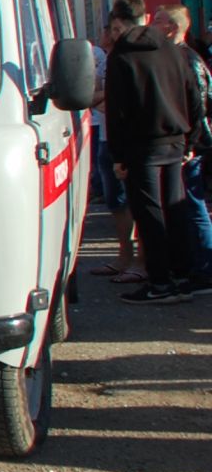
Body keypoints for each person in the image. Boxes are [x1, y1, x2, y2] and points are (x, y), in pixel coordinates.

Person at [104, 0, 205, 304]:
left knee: (150, 214)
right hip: (176, 140)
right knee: (175, 209)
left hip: (142, 145)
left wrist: (118, 156)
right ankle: (183, 274)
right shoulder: (173, 50)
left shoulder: (121, 56)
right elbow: (193, 96)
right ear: (145, 18)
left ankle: (160, 282)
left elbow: (117, 109)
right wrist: (193, 139)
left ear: (119, 24)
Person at [153, 4, 212, 285]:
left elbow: (198, 105)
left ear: (173, 27)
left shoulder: (188, 59)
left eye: (159, 20)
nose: (154, 24)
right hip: (186, 142)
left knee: (193, 205)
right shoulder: (175, 57)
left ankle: (203, 270)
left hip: (192, 145)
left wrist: (191, 143)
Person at [87, 25, 138, 282]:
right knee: (115, 202)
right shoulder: (106, 62)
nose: (109, 33)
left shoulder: (128, 61)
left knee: (134, 202)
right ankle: (124, 256)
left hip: (124, 140)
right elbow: (93, 94)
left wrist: (98, 98)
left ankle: (140, 262)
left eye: (116, 28)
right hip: (107, 138)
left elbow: (117, 103)